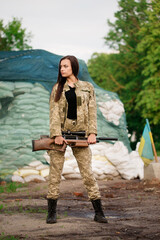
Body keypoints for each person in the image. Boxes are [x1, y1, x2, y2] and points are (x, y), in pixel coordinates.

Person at [46, 55, 108, 224]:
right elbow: (54, 113)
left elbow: (92, 111)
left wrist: (92, 132)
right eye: (60, 67)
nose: (62, 69)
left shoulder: (87, 88)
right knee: (55, 174)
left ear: (73, 66)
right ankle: (51, 212)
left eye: (65, 66)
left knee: (88, 174)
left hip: (81, 136)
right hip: (61, 135)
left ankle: (99, 212)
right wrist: (57, 135)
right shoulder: (57, 88)